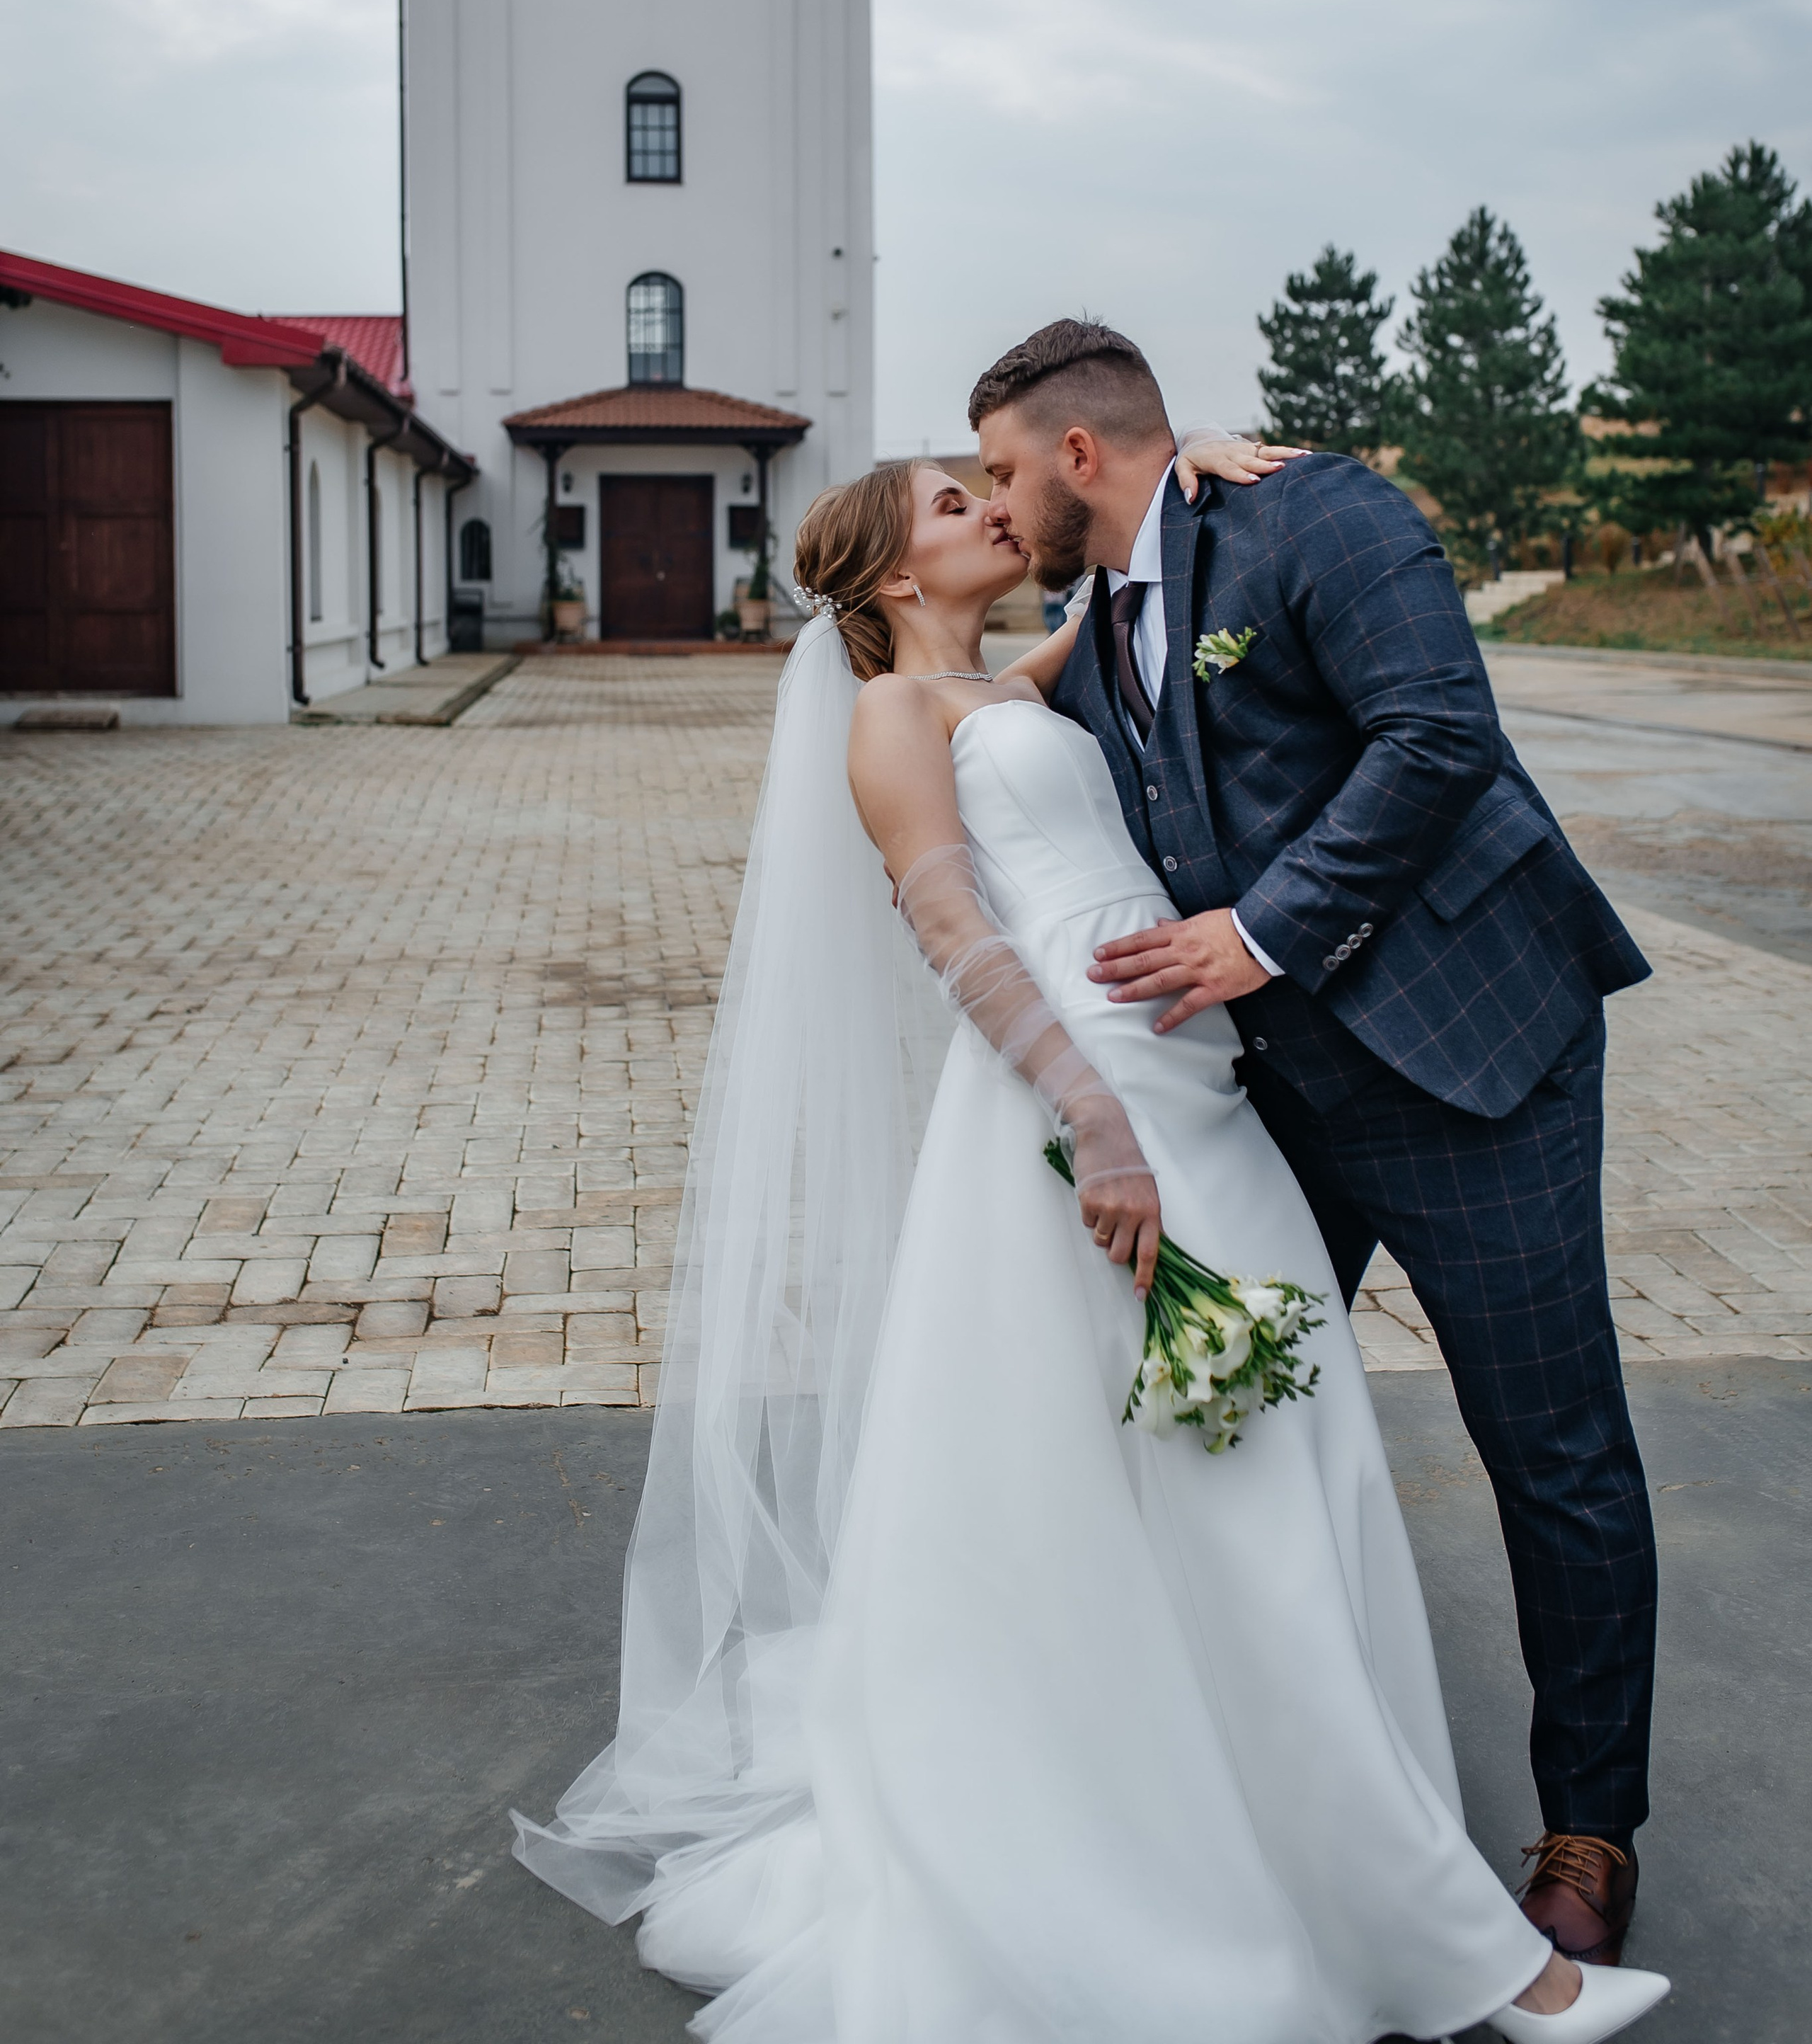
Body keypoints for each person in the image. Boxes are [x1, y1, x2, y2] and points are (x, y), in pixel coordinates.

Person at [513, 432, 1669, 2043]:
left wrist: (1170, 455)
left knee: (1268, 1462)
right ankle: (1435, 1938)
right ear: (891, 574)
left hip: (1208, 1094)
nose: (991, 505)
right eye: (951, 498)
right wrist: (1090, 1119)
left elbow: (1130, 567)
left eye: (992, 476)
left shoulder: (1017, 684)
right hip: (1090, 1109)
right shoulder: (890, 712)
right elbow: (946, 919)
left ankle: (1262, 1829)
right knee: (1225, 1490)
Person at [972, 319, 1659, 1981]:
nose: (994, 506)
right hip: (1269, 1103)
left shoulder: (1319, 516)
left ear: (1078, 455)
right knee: (1227, 1413)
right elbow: (985, 706)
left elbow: (1435, 734)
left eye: (1000, 470)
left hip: (1466, 1063)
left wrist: (1256, 934)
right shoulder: (1099, 609)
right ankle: (1249, 1791)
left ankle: (1587, 1828)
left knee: (1547, 1449)